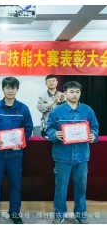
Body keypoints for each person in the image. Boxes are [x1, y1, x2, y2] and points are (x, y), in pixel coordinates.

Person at [0, 77, 33, 225]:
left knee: (15, 184)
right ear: (3, 89)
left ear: (17, 89)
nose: (10, 91)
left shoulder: (23, 108)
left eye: (13, 88)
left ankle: (14, 213)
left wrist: (21, 142)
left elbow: (28, 129)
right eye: (7, 88)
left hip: (15, 154)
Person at [46, 81, 99, 224]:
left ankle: (80, 214)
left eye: (77, 92)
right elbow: (48, 128)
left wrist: (93, 135)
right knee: (60, 188)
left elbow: (95, 127)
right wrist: (54, 134)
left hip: (82, 156)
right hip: (62, 156)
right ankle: (59, 214)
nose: (75, 95)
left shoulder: (87, 110)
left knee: (81, 187)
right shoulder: (56, 111)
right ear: (65, 93)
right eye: (71, 92)